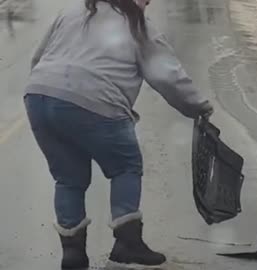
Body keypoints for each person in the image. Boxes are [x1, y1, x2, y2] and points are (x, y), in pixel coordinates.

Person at [23, 0, 213, 269]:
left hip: (39, 96)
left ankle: (73, 255)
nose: (148, 3)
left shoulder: (72, 11)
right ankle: (127, 243)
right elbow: (167, 75)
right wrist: (199, 107)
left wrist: (53, 95)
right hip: (95, 100)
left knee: (68, 179)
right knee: (125, 166)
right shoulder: (137, 25)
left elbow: (38, 58)